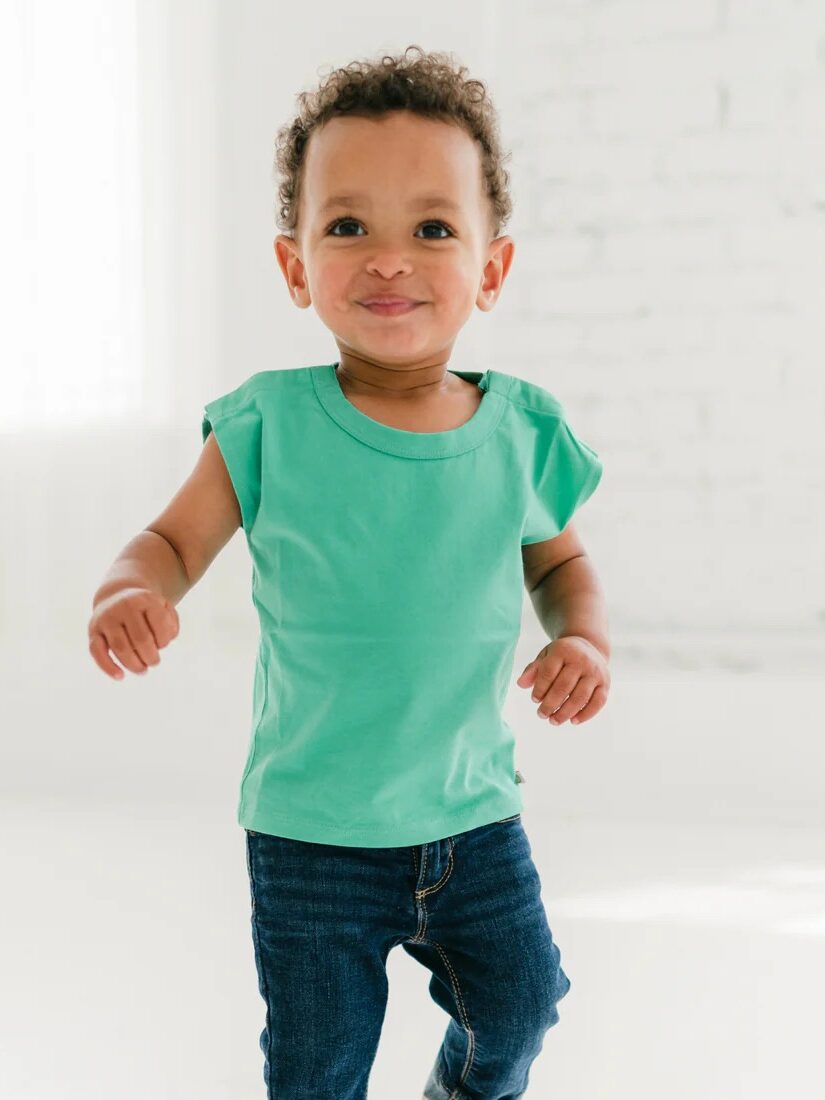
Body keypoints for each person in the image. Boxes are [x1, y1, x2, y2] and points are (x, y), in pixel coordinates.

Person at [88, 44, 610, 1100]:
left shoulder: (519, 430)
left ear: (490, 268)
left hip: (471, 816)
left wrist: (582, 636)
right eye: (346, 226)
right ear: (294, 266)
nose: (388, 258)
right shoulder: (270, 423)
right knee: (318, 1067)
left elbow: (561, 563)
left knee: (520, 1002)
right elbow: (171, 542)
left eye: (430, 227)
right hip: (311, 833)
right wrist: (128, 590)